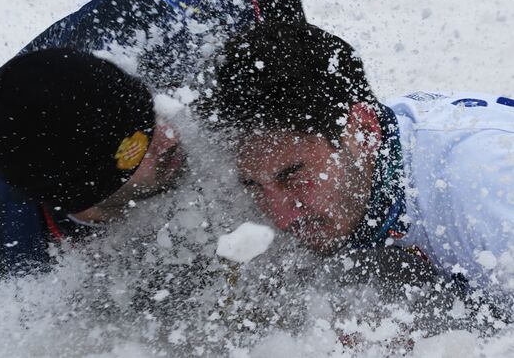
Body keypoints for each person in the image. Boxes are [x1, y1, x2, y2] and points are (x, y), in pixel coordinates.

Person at [0, 0, 307, 279]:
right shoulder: (17, 237)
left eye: (154, 115)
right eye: (138, 145)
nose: (170, 136)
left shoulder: (185, 37)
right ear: (89, 193)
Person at [210, 23, 514, 287]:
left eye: (294, 177)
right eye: (254, 186)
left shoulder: (481, 189)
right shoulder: (370, 157)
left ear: (363, 132)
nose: (281, 216)